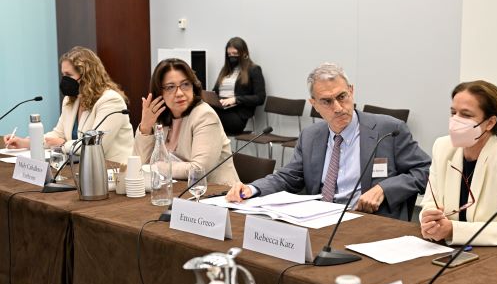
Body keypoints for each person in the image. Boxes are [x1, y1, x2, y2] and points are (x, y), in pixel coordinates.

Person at [226, 62, 431, 220]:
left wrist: (384, 188)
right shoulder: (311, 136)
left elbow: (425, 171)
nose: (338, 107)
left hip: (368, 221)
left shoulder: (389, 130)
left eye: (342, 96)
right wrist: (251, 189)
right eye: (327, 101)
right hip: (319, 221)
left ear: (351, 91)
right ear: (314, 104)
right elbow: (288, 177)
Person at [420, 80, 497, 246]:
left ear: (490, 122)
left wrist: (453, 230)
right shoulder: (442, 147)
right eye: (453, 112)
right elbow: (429, 202)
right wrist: (429, 219)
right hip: (450, 250)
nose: (455, 120)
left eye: (466, 115)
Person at [3, 46, 133, 164]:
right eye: (63, 75)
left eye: (68, 75)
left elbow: (97, 145)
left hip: (112, 170)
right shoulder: (71, 99)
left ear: (87, 76)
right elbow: (57, 134)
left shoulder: (110, 100)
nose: (64, 80)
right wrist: (25, 142)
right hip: (80, 168)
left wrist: (63, 144)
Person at [134, 58, 239, 184]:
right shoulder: (159, 117)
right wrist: (145, 128)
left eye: (185, 84)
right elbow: (139, 165)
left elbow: (199, 170)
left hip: (215, 194)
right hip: (174, 192)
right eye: (171, 87)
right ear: (159, 92)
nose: (179, 93)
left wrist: (158, 166)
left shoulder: (205, 116)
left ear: (193, 86)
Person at [212, 37, 266, 134]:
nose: (232, 57)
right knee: (200, 109)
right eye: (229, 55)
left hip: (237, 117)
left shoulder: (254, 70)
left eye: (235, 54)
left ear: (244, 53)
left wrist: (235, 99)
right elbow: (214, 92)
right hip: (222, 109)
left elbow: (260, 98)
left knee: (207, 115)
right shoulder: (225, 70)